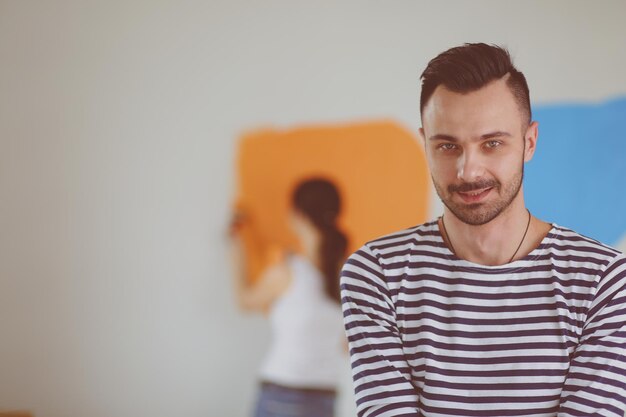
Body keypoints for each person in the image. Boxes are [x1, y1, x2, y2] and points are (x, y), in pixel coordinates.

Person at [340, 43, 626, 417]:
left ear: (529, 142)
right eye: (447, 146)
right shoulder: (376, 274)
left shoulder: (603, 280)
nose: (468, 171)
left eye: (492, 143)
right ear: (424, 143)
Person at [230, 178, 348, 417]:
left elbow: (244, 301)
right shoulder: (347, 274)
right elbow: (347, 346)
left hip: (281, 393)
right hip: (325, 396)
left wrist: (236, 247)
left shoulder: (287, 271)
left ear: (298, 215)